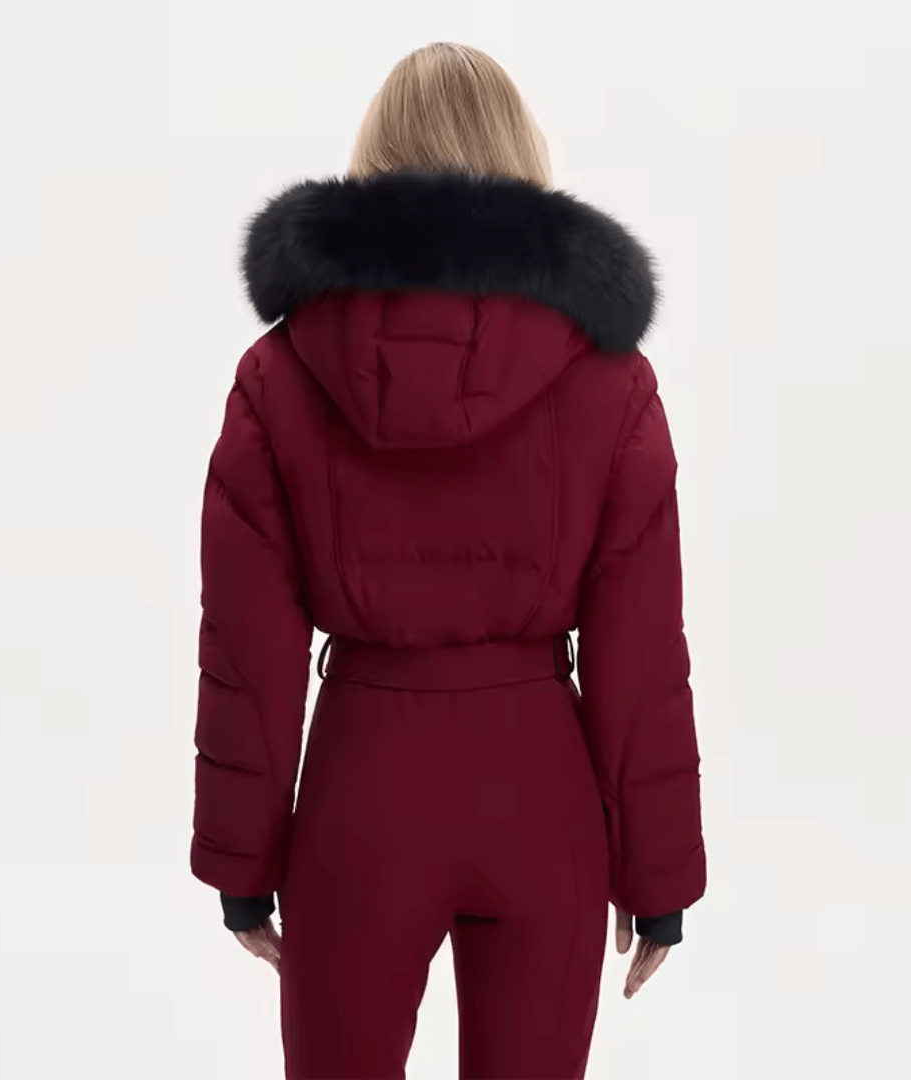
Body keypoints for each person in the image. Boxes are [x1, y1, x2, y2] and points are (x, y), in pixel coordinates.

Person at [189, 41, 706, 1080]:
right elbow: (641, 648)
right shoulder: (611, 380)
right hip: (540, 791)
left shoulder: (279, 372)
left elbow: (248, 645)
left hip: (362, 789)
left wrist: (242, 860)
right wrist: (659, 875)